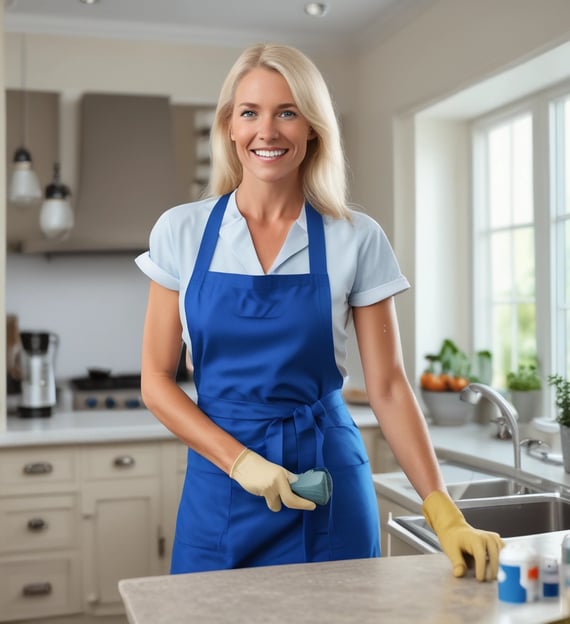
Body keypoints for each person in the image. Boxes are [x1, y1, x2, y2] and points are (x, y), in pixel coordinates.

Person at [136, 42, 503, 581]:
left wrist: (442, 509)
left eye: (287, 112)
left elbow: (390, 387)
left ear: (312, 128)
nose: (268, 130)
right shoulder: (182, 232)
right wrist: (241, 462)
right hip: (221, 484)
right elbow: (156, 380)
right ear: (230, 129)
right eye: (250, 113)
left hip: (325, 479)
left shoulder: (355, 237)